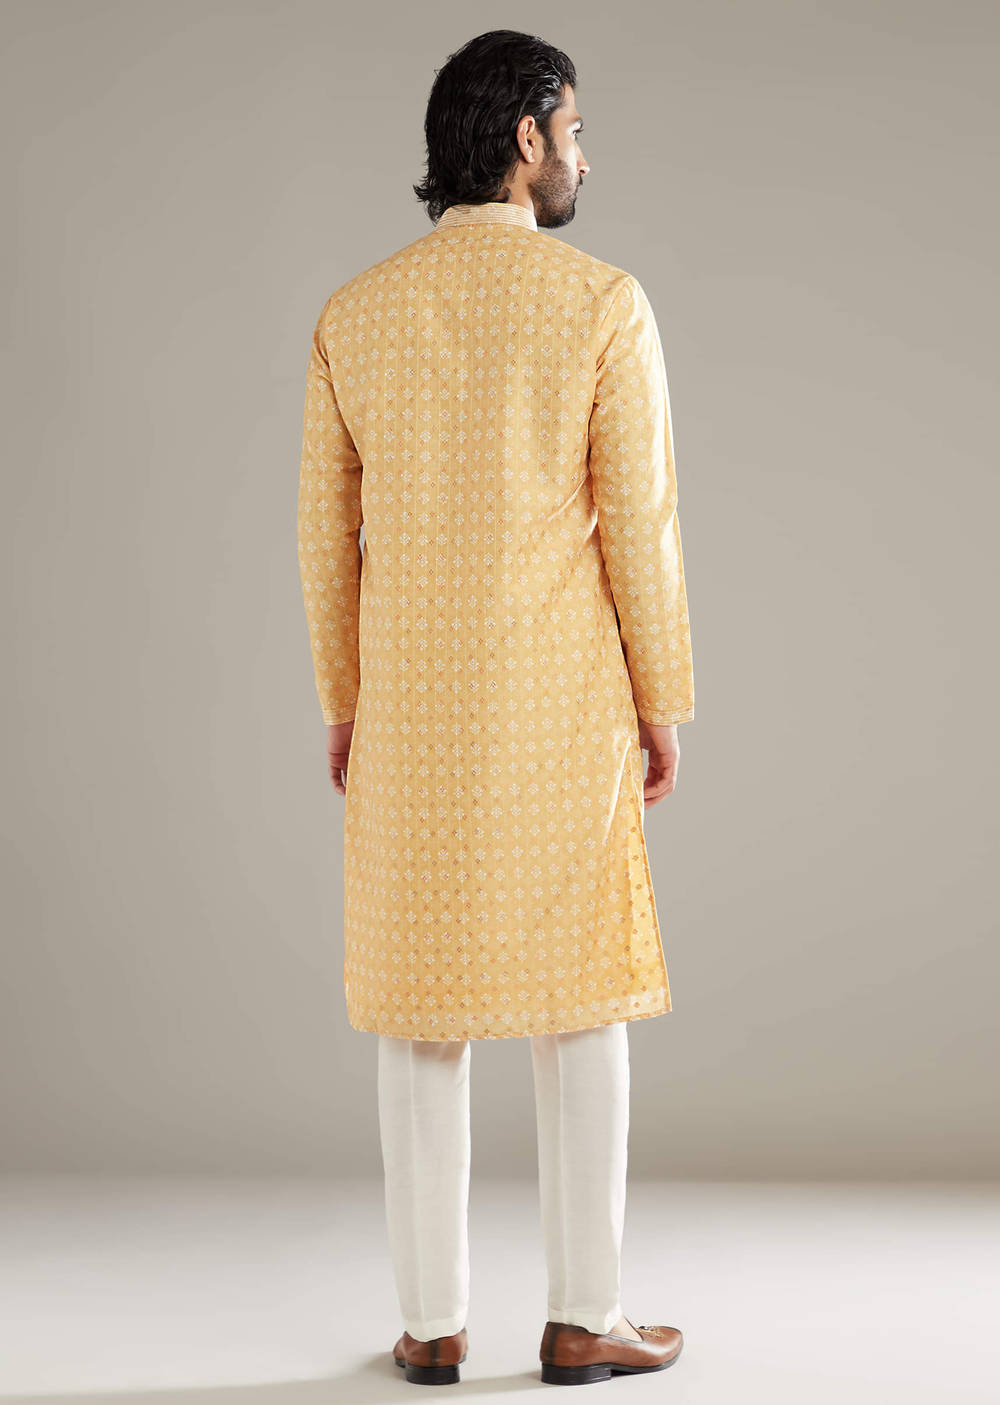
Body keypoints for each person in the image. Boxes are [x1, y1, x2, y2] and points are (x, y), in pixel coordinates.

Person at [297, 28, 694, 1388]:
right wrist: (662, 697)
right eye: (575, 130)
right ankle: (586, 1316)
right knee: (584, 1001)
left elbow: (323, 539)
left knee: (422, 1009)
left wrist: (345, 702)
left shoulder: (355, 313)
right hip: (564, 707)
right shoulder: (602, 303)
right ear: (527, 139)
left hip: (409, 714)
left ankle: (431, 1324)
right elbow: (640, 527)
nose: (585, 154)